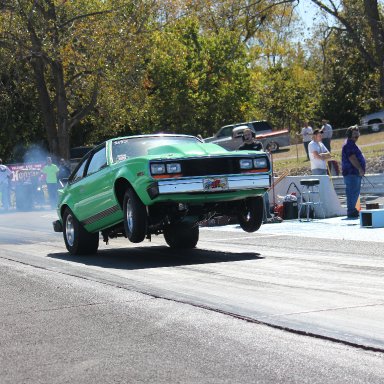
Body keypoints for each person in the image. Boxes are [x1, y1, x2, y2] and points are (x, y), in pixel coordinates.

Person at [238, 131, 278, 223]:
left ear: (252, 135)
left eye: (248, 134)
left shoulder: (258, 144)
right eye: (245, 135)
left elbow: (261, 154)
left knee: (265, 194)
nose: (247, 136)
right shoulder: (241, 148)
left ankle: (267, 214)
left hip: (259, 173)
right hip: (248, 175)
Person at [342, 125, 366, 219]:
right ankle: (352, 211)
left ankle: (355, 210)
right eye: (355, 135)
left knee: (355, 192)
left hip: (355, 173)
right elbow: (352, 158)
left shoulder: (352, 144)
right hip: (351, 173)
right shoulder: (349, 145)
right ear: (349, 135)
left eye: (358, 135)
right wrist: (360, 168)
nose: (357, 137)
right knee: (352, 192)